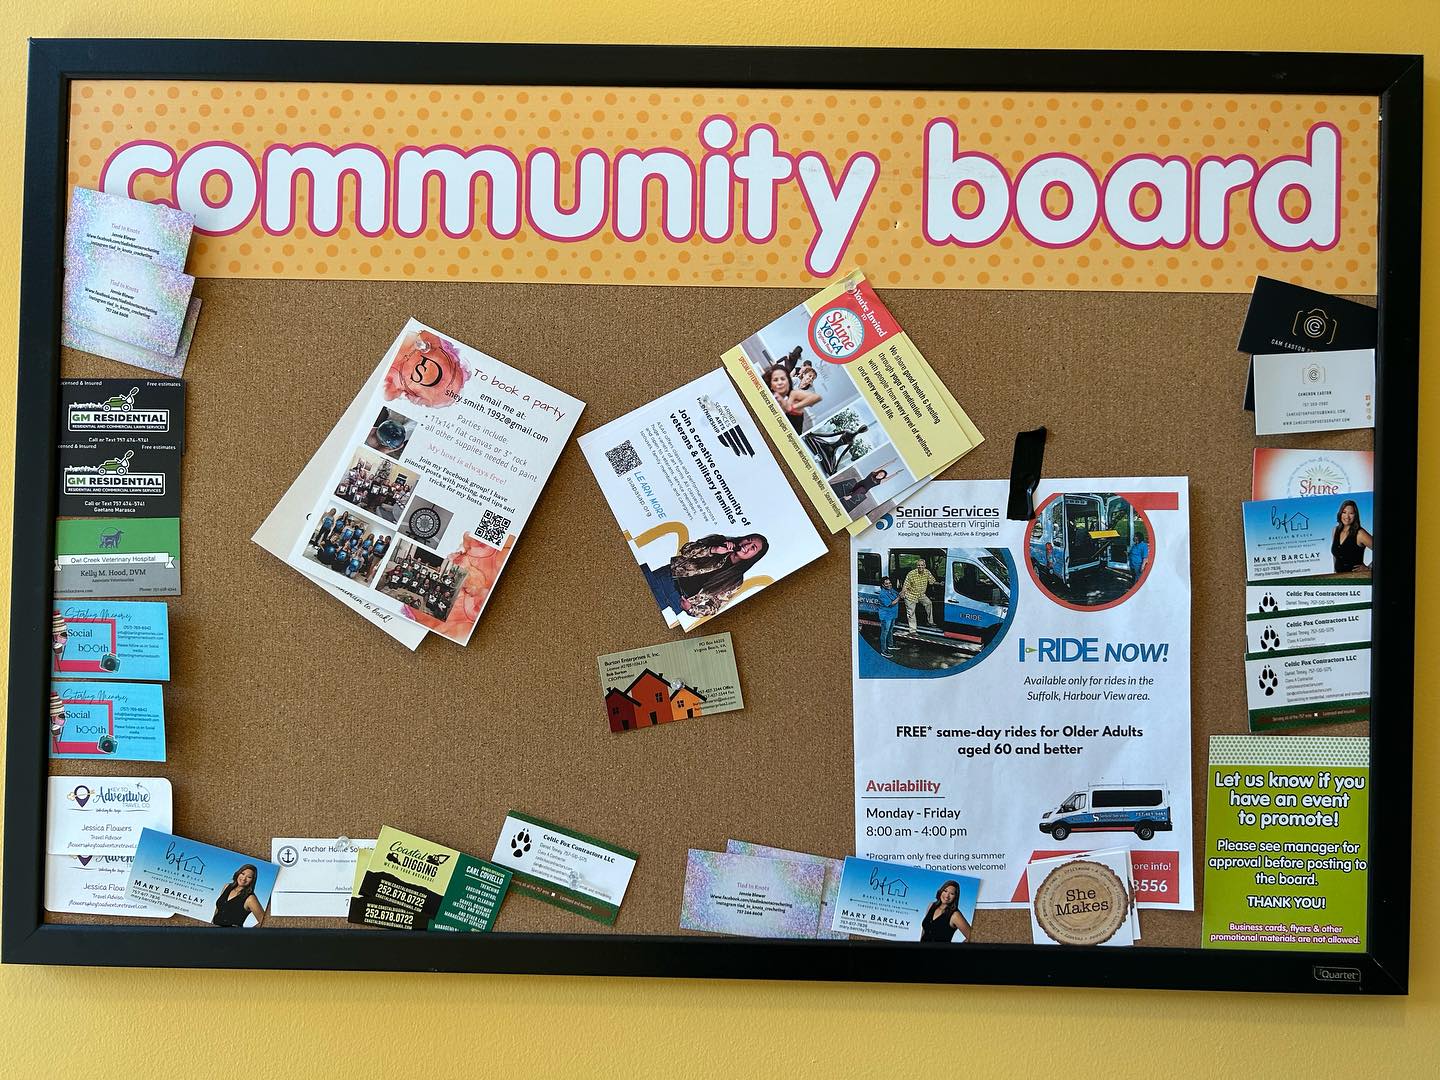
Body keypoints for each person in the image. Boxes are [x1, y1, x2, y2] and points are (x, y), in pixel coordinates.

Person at [643, 533, 770, 619]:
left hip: (677, 600)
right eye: (748, 540)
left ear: (754, 557)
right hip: (665, 577)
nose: (747, 546)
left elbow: (715, 606)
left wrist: (692, 609)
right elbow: (686, 550)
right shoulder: (719, 541)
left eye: (753, 547)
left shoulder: (736, 581)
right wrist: (713, 550)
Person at [764, 364, 822, 435]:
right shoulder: (796, 380)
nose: (810, 379)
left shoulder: (811, 391)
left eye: (813, 378)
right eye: (810, 376)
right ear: (804, 375)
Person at [804, 423, 869, 476]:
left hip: (831, 453)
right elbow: (830, 435)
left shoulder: (851, 441)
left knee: (830, 471)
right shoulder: (847, 433)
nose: (861, 430)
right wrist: (814, 434)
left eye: (862, 430)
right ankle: (819, 452)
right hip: (826, 445)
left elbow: (842, 455)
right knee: (809, 437)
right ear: (860, 428)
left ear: (862, 432)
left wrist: (836, 467)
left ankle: (819, 453)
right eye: (862, 429)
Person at [1332, 499, 1374, 573]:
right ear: (1340, 513)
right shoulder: (1335, 530)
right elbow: (1335, 556)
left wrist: (1369, 568)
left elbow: (1381, 550)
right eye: (1344, 512)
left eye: (1351, 513)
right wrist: (1334, 573)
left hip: (1356, 578)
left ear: (1355, 515)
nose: (1347, 516)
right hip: (1339, 577)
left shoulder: (1360, 533)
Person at [902, 561, 938, 632]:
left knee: (929, 603)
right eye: (919, 565)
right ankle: (913, 630)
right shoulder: (911, 574)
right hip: (911, 595)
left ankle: (930, 622)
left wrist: (940, 583)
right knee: (911, 613)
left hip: (921, 595)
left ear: (925, 566)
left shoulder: (927, 572)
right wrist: (903, 593)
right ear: (916, 566)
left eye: (922, 565)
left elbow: (932, 581)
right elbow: (905, 585)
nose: (920, 567)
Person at [875, 575, 901, 655]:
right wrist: (900, 597)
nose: (889, 585)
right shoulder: (882, 594)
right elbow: (891, 603)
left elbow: (897, 594)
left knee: (890, 630)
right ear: (883, 585)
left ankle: (890, 645)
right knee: (884, 632)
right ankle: (883, 650)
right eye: (886, 584)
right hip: (886, 616)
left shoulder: (891, 590)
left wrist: (902, 592)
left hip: (892, 614)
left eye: (889, 583)